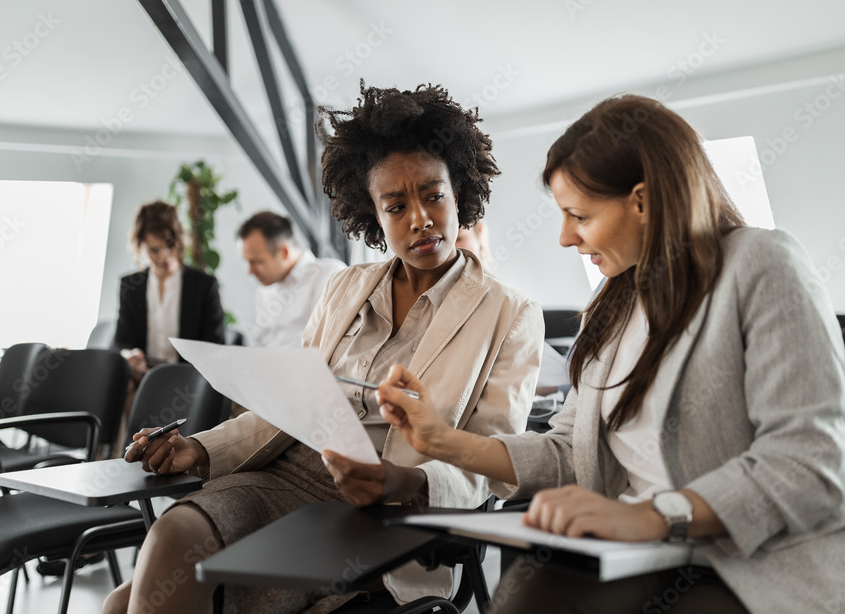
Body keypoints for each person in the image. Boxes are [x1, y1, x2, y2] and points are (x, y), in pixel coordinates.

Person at [370, 95, 845, 613]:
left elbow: (805, 462)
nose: (564, 237)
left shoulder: (760, 264)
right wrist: (440, 440)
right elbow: (568, 453)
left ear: (642, 201)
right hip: (644, 554)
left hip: (759, 563)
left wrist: (650, 516)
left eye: (579, 215)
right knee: (527, 597)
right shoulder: (612, 308)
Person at [102, 83, 544, 614]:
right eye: (396, 205)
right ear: (374, 215)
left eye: (434, 194)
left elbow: (493, 461)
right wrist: (200, 447)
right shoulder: (345, 288)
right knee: (171, 537)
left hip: (383, 511)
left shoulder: (509, 312)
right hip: (282, 475)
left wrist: (402, 480)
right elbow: (291, 405)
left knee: (131, 602)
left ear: (460, 193)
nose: (420, 218)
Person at [114, 199, 226, 383]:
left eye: (170, 245)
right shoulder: (130, 285)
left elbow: (214, 347)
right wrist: (130, 355)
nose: (164, 256)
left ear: (180, 239)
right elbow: (122, 341)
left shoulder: (203, 285)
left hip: (187, 381)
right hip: (142, 379)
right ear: (141, 246)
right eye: (154, 250)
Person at [237, 210, 345, 348]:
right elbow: (261, 345)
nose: (250, 271)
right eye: (247, 262)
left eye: (257, 262)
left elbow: (328, 344)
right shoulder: (264, 291)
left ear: (284, 253)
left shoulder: (329, 275)